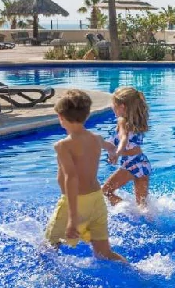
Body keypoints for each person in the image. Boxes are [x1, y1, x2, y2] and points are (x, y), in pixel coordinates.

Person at [44, 89, 126, 262]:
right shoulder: (96, 138)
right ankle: (137, 273)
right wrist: (114, 153)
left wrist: (73, 218)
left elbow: (71, 178)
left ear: (61, 117)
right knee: (104, 253)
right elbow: (111, 147)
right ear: (87, 115)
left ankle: (48, 282)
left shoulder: (63, 146)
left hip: (74, 203)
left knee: (48, 247)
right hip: (97, 201)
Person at [101, 86, 152, 208]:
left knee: (105, 191)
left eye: (113, 104)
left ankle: (128, 210)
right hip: (143, 163)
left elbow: (124, 139)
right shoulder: (137, 122)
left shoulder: (122, 121)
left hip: (131, 164)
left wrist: (117, 153)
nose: (112, 107)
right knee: (143, 207)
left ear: (122, 106)